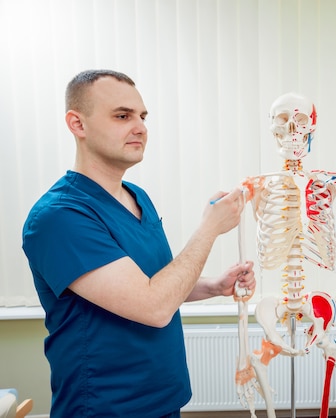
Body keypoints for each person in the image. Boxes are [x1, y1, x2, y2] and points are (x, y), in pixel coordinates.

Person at [22, 69, 256, 418]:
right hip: (107, 406)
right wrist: (209, 229)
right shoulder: (60, 217)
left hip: (163, 398)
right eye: (122, 116)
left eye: (143, 116)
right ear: (77, 124)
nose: (141, 127)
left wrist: (212, 287)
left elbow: (149, 281)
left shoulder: (137, 197)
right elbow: (153, 306)